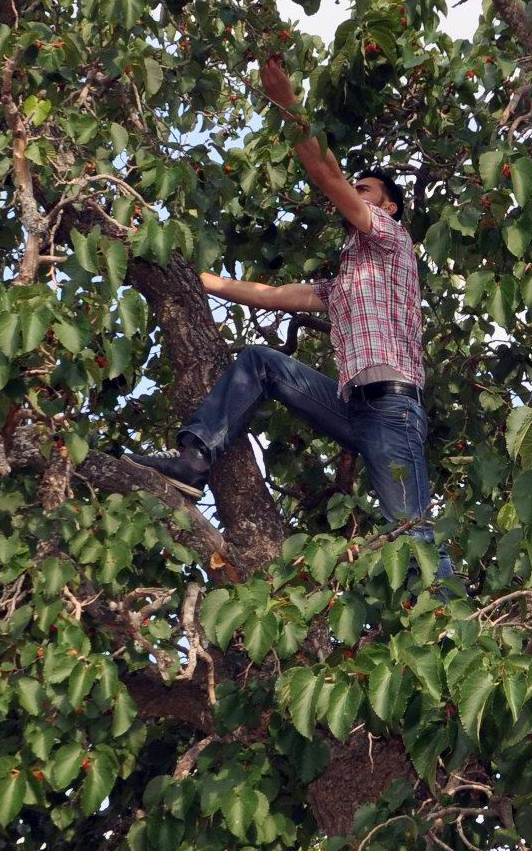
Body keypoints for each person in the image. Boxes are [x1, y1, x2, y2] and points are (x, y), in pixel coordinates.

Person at [125, 54, 438, 552]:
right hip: (351, 407)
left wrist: (288, 105)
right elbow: (271, 296)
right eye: (356, 190)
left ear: (389, 206)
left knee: (413, 534)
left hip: (393, 411)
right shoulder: (346, 284)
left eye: (366, 190)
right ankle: (193, 462)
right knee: (259, 362)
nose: (355, 194)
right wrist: (192, 277)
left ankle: (446, 625)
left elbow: (326, 175)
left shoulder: (389, 238)